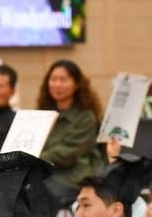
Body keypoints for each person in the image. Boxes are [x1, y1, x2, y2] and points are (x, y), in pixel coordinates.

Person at [37, 59, 103, 202]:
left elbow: (67, 155)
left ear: (77, 84)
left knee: (37, 191)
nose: (57, 84)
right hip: (45, 171)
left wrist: (34, 159)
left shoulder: (85, 117)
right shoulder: (44, 114)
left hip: (74, 176)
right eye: (53, 79)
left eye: (63, 79)